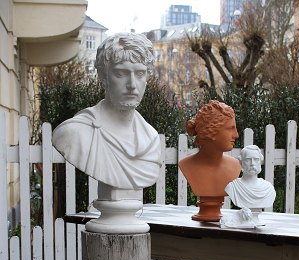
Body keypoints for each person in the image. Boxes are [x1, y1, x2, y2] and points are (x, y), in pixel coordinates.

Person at [52, 32, 161, 191]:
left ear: (147, 78)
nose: (132, 84)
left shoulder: (151, 139)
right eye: (120, 73)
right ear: (103, 77)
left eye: (139, 73)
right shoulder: (74, 132)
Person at [179, 100, 241, 198]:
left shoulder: (236, 165)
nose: (236, 135)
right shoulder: (186, 165)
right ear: (211, 130)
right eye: (230, 128)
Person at [225, 145, 276, 209]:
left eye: (256, 159)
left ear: (260, 161)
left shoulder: (268, 188)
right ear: (241, 162)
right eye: (248, 160)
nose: (252, 163)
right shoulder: (233, 187)